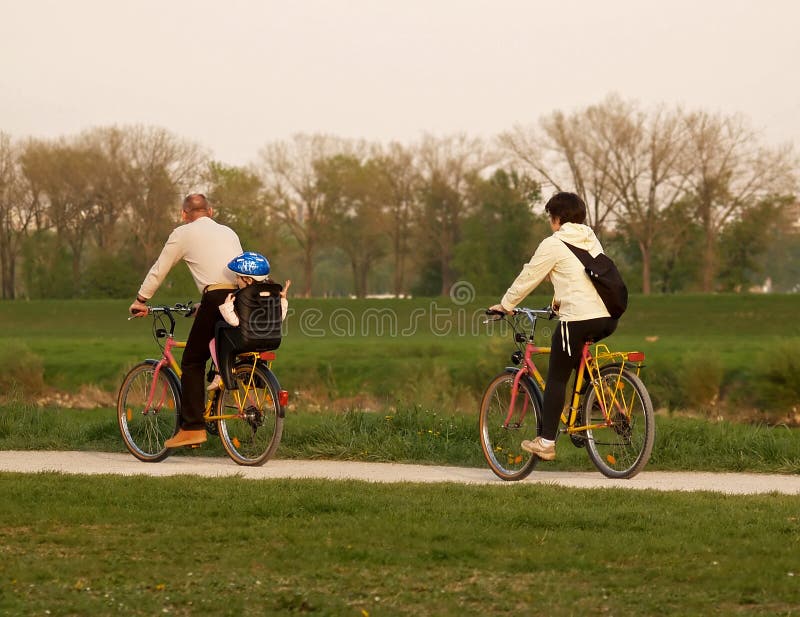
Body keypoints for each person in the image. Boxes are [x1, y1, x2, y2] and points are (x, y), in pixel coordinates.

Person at [488, 191, 618, 461]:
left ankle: (546, 442)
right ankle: (581, 414)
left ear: (557, 218)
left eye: (551, 217)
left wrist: (506, 304)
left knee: (557, 376)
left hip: (579, 318)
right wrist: (558, 303)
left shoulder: (554, 243)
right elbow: (581, 277)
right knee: (575, 361)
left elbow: (529, 275)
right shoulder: (590, 238)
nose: (550, 223)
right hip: (608, 315)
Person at [129, 193, 243, 448]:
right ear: (211, 211)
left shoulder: (183, 233)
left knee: (192, 360)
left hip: (216, 298)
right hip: (239, 299)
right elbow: (230, 274)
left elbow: (161, 268)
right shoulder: (229, 232)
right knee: (218, 348)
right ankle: (219, 385)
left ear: (183, 214)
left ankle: (192, 428)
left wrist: (141, 299)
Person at [207, 251, 291, 390]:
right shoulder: (271, 294)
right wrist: (283, 299)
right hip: (270, 339)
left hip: (245, 339)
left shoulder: (244, 297)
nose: (236, 281)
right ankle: (254, 378)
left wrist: (227, 306)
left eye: (238, 277)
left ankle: (220, 374)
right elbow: (280, 317)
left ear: (248, 280)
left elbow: (235, 322)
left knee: (215, 338)